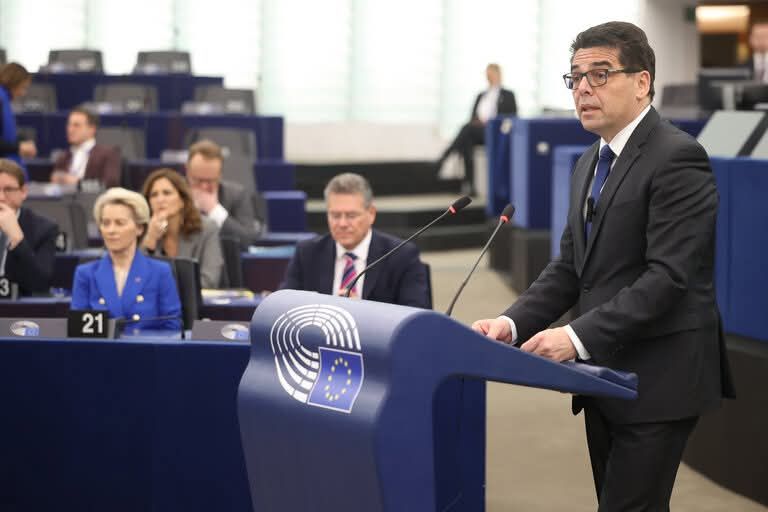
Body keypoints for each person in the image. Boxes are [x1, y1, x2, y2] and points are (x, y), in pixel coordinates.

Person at [471, 22, 734, 510]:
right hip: (603, 374)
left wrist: (573, 338)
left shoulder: (678, 157)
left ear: (642, 82)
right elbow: (572, 267)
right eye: (575, 78)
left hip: (659, 377)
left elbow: (669, 278)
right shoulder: (588, 162)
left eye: (600, 74)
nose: (583, 89)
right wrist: (512, 323)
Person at [282, 172, 429, 308]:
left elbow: (416, 316)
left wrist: (360, 312)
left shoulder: (401, 256)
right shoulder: (307, 253)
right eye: (335, 215)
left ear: (371, 214)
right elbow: (283, 306)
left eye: (351, 216)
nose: (342, 224)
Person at [71, 187, 181, 331]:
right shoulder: (85, 274)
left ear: (139, 228)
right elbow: (78, 331)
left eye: (120, 223)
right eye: (106, 223)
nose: (111, 230)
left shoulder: (160, 272)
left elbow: (173, 328)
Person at [436, 63, 516, 195]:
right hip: (478, 132)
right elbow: (472, 117)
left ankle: (445, 157)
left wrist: (490, 122)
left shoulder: (508, 95)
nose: (489, 78)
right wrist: (478, 122)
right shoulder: (481, 95)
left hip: (495, 132)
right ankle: (471, 187)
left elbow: (512, 117)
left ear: (498, 75)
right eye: (487, 75)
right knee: (466, 141)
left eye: (491, 75)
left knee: (466, 130)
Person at [141, 168, 223, 289]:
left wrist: (168, 291)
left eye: (167, 193)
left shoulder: (207, 229)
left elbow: (209, 280)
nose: (160, 200)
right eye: (154, 195)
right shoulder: (142, 231)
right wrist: (150, 240)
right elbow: (137, 280)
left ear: (182, 200)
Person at [185, 139, 265, 248]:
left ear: (220, 175)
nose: (204, 186)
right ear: (187, 170)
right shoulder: (173, 193)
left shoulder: (237, 195)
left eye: (210, 181)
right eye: (198, 180)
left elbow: (247, 241)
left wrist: (214, 210)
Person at [0, 158, 57, 296]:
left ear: (23, 192)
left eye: (8, 189)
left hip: (19, 305)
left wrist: (17, 239)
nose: (1, 197)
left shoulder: (44, 229)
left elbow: (40, 284)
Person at [50, 107, 121, 188]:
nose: (70, 129)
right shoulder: (63, 157)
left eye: (76, 125)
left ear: (92, 129)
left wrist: (79, 184)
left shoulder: (109, 153)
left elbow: (109, 183)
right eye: (69, 125)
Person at [0, 63, 37, 178]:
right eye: (23, 87)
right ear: (14, 82)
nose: (22, 93)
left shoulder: (4, 100)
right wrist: (19, 147)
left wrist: (21, 142)